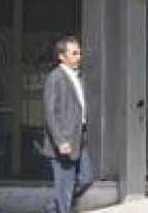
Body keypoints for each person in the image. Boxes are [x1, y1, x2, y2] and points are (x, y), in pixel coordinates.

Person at [41, 34, 94, 213]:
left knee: (87, 178)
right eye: (74, 53)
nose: (79, 56)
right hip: (64, 141)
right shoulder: (55, 78)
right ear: (61, 56)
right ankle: (60, 207)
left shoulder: (77, 77)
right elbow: (50, 113)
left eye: (79, 53)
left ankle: (54, 207)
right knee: (65, 185)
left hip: (79, 137)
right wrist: (60, 140)